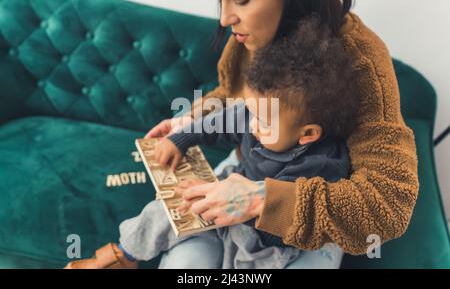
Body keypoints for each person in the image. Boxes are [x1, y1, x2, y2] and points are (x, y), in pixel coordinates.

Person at [64, 17, 359, 269]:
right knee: (168, 209)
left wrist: (230, 203)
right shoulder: (258, 114)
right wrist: (180, 139)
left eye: (263, 123)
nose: (251, 127)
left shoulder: (321, 168)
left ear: (307, 134)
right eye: (251, 113)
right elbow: (218, 121)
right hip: (234, 187)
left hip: (270, 237)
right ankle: (125, 254)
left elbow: (285, 232)